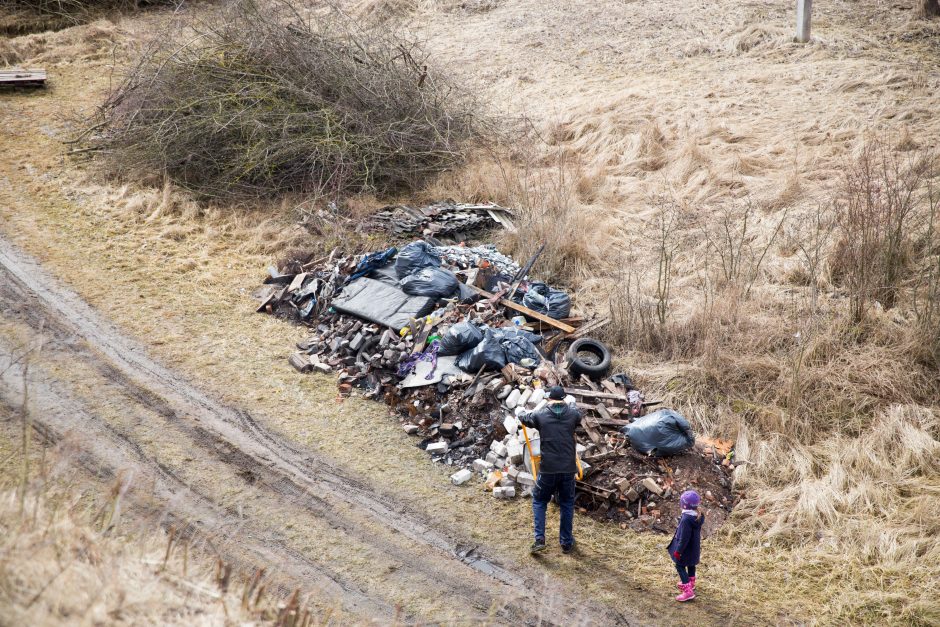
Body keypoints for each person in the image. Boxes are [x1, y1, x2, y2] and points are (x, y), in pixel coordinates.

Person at [519, 385, 581, 555]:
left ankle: (540, 539)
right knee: (567, 503)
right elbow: (578, 416)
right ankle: (566, 543)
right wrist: (572, 405)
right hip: (568, 468)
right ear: (564, 398)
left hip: (548, 469)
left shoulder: (541, 415)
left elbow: (526, 418)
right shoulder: (573, 414)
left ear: (548, 399)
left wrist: (519, 413)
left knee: (539, 500)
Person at [667, 490, 704, 602]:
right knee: (691, 564)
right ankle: (691, 583)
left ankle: (688, 591)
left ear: (684, 504)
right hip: (694, 548)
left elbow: (684, 538)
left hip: (685, 550)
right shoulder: (699, 515)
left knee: (679, 566)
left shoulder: (686, 520)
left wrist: (678, 551)